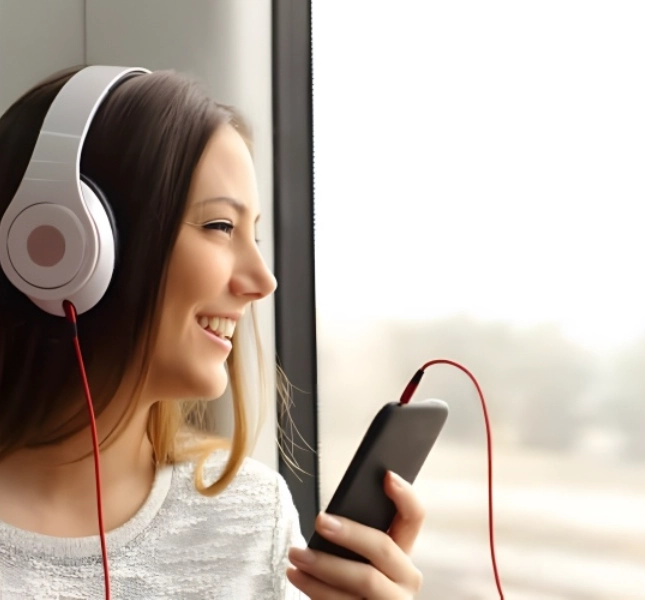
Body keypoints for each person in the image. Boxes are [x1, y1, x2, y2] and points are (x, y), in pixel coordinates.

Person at [0, 66, 425, 599]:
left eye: (254, 236)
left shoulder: (252, 518)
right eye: (221, 226)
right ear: (62, 246)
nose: (263, 281)